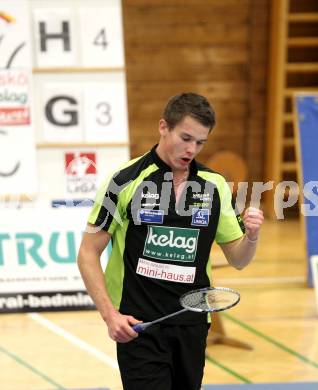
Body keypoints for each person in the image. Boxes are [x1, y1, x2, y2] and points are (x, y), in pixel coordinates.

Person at [77, 92, 264, 390]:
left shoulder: (213, 186)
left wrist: (252, 237)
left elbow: (238, 259)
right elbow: (87, 253)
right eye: (185, 138)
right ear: (164, 127)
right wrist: (110, 315)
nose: (191, 149)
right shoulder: (125, 180)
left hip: (192, 323)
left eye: (200, 142)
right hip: (138, 325)